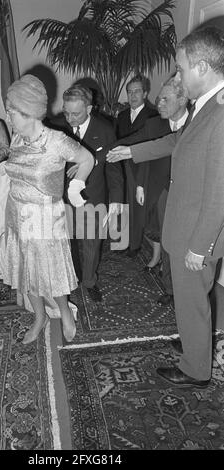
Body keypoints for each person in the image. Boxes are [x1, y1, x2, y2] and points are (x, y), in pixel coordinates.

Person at [106, 27, 224, 387]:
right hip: (188, 225)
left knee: (192, 301)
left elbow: (221, 193)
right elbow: (178, 140)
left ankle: (195, 370)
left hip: (196, 234)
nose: (176, 76)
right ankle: (195, 344)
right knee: (192, 302)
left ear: (202, 67)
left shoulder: (220, 115)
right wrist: (132, 150)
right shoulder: (206, 108)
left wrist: (199, 246)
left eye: (180, 68)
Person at [0, 75, 94, 344]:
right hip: (16, 214)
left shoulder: (57, 141)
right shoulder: (16, 139)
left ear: (29, 111)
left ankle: (64, 312)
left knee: (51, 272)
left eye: (12, 111)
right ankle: (39, 317)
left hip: (45, 217)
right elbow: (14, 170)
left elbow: (87, 158)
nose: (9, 116)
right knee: (26, 272)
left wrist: (76, 186)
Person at [117, 77, 189, 307]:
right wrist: (140, 184)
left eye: (165, 100)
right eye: (159, 99)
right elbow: (143, 153)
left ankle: (186, 287)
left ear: (182, 100)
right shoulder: (154, 125)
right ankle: (170, 287)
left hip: (190, 195)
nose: (160, 104)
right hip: (161, 191)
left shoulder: (197, 125)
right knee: (165, 239)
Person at [51, 84, 123, 302]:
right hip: (61, 197)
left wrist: (116, 200)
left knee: (92, 243)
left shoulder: (105, 129)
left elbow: (113, 167)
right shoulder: (56, 126)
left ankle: (90, 281)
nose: (70, 118)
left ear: (89, 108)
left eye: (76, 113)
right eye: (66, 112)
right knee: (67, 242)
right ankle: (70, 278)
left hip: (94, 196)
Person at [116, 74, 158, 258]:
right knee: (122, 204)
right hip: (121, 166)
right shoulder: (122, 115)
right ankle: (122, 241)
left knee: (135, 208)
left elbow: (151, 146)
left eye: (137, 91)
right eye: (130, 92)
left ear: (145, 93)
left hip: (140, 166)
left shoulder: (153, 115)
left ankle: (134, 245)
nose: (133, 96)